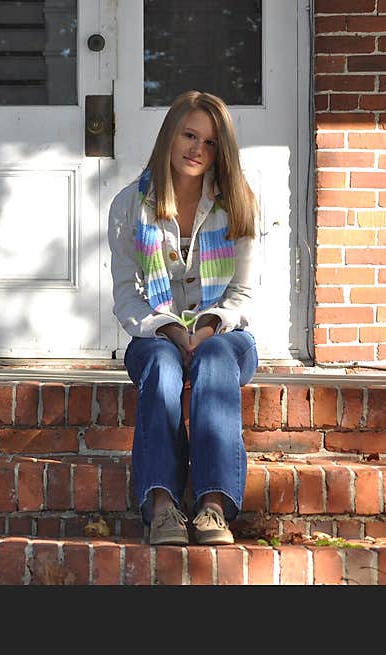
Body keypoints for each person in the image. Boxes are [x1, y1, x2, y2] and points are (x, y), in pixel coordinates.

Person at [108, 90, 260, 546]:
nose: (197, 149)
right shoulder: (130, 207)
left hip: (227, 336)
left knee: (213, 360)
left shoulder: (239, 204)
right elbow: (127, 297)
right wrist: (172, 330)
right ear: (169, 137)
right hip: (156, 334)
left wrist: (209, 326)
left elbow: (243, 293)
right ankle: (162, 506)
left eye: (210, 142)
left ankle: (214, 507)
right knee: (161, 364)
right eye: (189, 135)